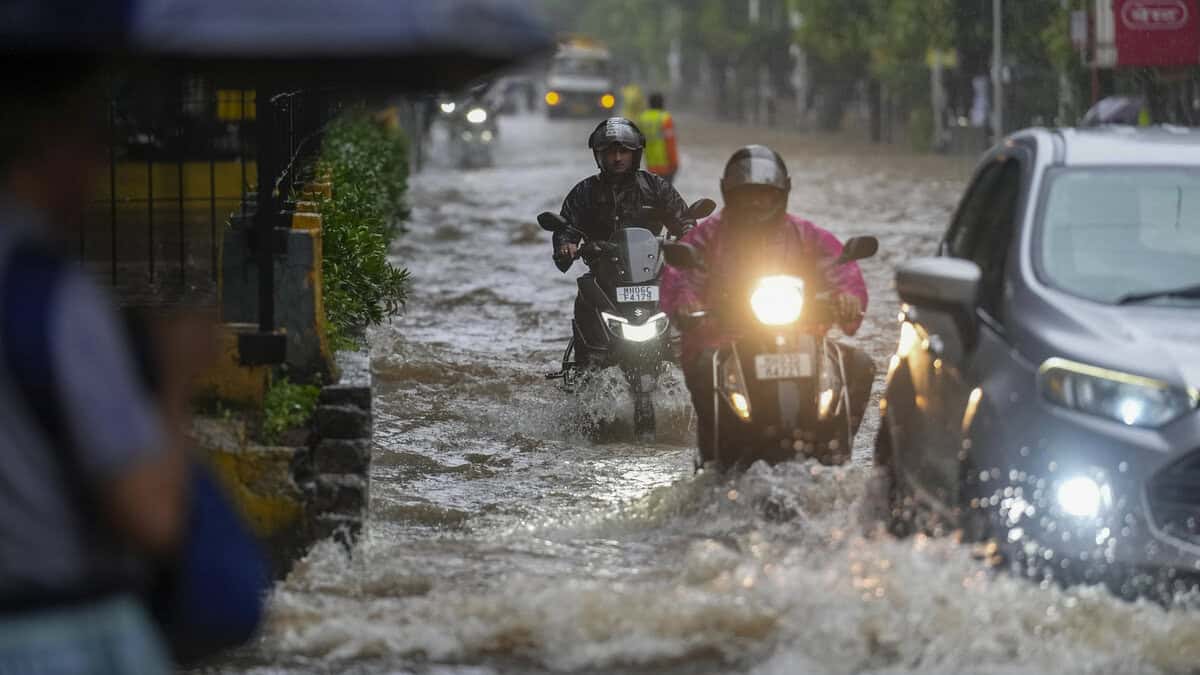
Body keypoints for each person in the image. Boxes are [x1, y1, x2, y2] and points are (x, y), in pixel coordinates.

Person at [0, 59, 213, 674]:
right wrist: (176, 380)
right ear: (48, 146)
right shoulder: (52, 296)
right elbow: (151, 517)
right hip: (59, 636)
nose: (104, 168)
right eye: (93, 141)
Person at [660, 144, 875, 460]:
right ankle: (717, 459)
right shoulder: (708, 236)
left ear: (782, 194)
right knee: (705, 369)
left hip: (802, 339)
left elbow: (839, 268)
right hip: (726, 340)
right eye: (747, 195)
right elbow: (682, 276)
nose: (756, 202)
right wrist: (687, 303)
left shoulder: (805, 234)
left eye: (765, 194)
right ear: (729, 194)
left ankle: (836, 452)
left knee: (859, 365)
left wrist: (848, 298)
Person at [553, 117, 695, 367]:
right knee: (585, 302)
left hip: (652, 275)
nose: (617, 158)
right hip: (604, 280)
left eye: (623, 151)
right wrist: (567, 245)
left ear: (636, 154)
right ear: (599, 156)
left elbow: (683, 221)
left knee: (687, 311)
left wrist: (688, 239)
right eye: (610, 152)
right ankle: (587, 372)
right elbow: (567, 228)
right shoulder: (584, 192)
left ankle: (689, 370)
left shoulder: (656, 187)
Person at [638, 92, 680, 184]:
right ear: (662, 103)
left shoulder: (642, 118)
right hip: (666, 166)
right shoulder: (665, 118)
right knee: (666, 196)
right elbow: (670, 143)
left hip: (650, 165)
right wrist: (675, 163)